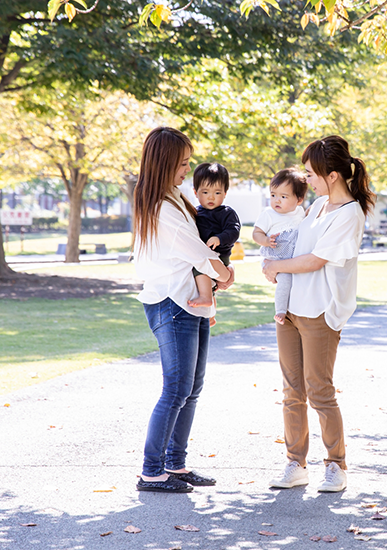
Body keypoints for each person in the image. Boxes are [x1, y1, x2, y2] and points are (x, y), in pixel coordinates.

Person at [262, 136, 375, 493]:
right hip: (292, 311)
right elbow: (297, 242)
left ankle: (336, 466)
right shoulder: (318, 206)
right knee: (292, 391)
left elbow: (315, 260)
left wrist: (276, 266)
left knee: (319, 391)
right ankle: (295, 464)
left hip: (319, 312)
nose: (307, 180)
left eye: (312, 173)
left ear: (333, 175)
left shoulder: (349, 213)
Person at [132, 127, 235, 493]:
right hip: (172, 304)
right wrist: (226, 274)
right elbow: (199, 253)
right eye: (183, 164)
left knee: (191, 388)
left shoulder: (173, 197)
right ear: (164, 164)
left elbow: (204, 251)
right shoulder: (161, 208)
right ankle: (151, 470)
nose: (186, 172)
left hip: (190, 302)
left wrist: (217, 279)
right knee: (176, 389)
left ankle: (175, 465)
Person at [252, 168, 308, 325]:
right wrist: (266, 240)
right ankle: (281, 311)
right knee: (285, 280)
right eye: (273, 195)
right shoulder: (268, 214)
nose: (277, 200)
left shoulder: (300, 213)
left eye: (283, 197)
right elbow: (256, 233)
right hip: (274, 258)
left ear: (299, 200)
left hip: (292, 259)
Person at [189, 162, 241, 309]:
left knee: (200, 269)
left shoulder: (227, 213)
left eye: (217, 193)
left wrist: (219, 238)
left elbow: (234, 231)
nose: (211, 197)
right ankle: (210, 313)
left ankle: (206, 298)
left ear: (225, 193)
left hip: (219, 255)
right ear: (195, 192)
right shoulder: (194, 213)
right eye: (205, 193)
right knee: (207, 283)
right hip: (204, 254)